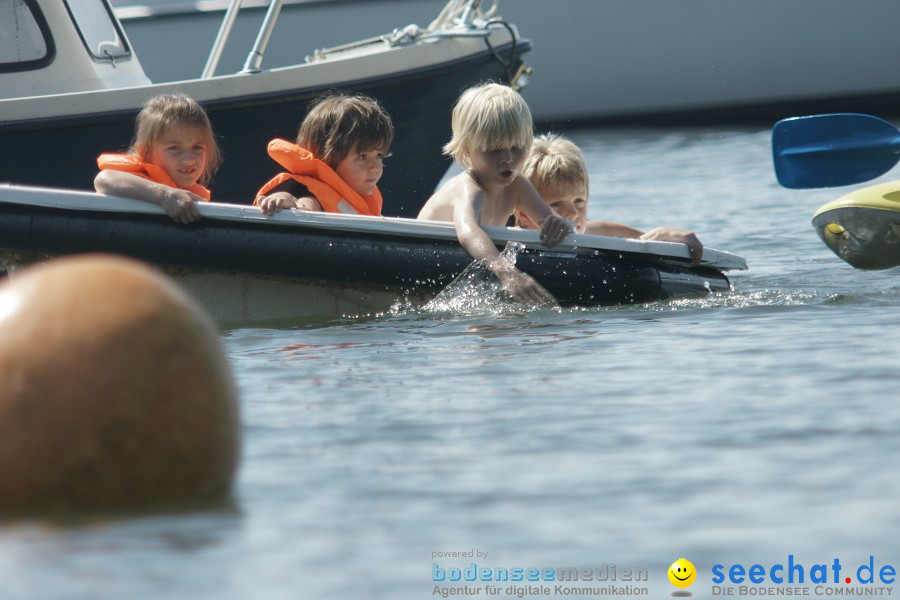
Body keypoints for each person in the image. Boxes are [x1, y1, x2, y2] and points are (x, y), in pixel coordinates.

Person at [417, 82, 575, 306]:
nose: (508, 158)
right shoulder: (468, 188)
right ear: (467, 149)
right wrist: (507, 273)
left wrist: (563, 225)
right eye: (494, 150)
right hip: (420, 260)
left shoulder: (517, 185)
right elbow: (469, 232)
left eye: (517, 147)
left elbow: (549, 220)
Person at [516, 133, 704, 264]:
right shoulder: (510, 240)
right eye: (556, 204)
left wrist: (663, 234)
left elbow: (628, 240)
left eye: (579, 201)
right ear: (522, 214)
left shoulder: (592, 231)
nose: (573, 213)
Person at [254, 93, 393, 216]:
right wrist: (283, 200)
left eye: (379, 156)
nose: (375, 168)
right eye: (362, 157)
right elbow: (304, 207)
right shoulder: (310, 196)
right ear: (328, 157)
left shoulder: (358, 199)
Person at [94, 94, 221, 225]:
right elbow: (104, 179)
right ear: (146, 152)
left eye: (197, 147)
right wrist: (165, 196)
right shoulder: (141, 184)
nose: (189, 160)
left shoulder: (190, 198)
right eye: (174, 148)